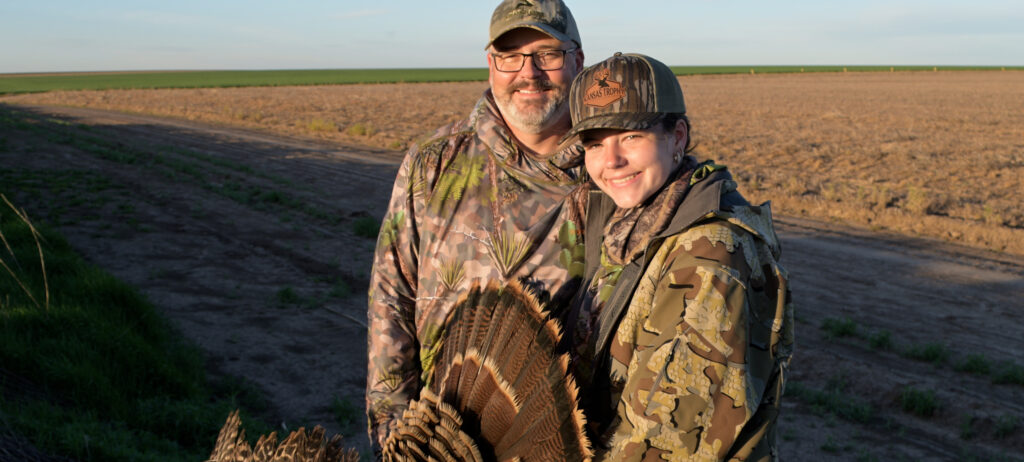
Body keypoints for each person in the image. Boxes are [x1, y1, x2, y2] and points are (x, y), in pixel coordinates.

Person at [365, 0, 587, 454]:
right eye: (510, 55)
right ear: (490, 63)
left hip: (561, 440)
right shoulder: (433, 161)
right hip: (439, 435)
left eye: (547, 53)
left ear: (577, 61)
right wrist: (395, 433)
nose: (529, 72)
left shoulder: (614, 171)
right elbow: (391, 298)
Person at [561, 53, 795, 461]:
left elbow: (667, 444)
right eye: (595, 143)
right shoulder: (628, 226)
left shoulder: (712, 256)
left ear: (678, 137)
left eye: (631, 137)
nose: (611, 160)